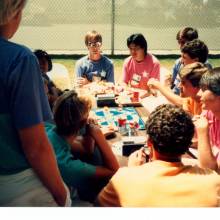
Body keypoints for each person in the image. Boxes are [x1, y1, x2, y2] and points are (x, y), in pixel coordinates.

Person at [0, 0, 70, 206]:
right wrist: (61, 195)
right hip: (15, 180)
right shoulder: (20, 59)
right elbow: (36, 146)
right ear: (14, 12)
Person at [96, 104, 220, 207]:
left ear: (149, 142)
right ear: (189, 142)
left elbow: (98, 206)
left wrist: (132, 171)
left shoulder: (123, 178)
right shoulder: (213, 182)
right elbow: (210, 170)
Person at [46, 90, 119, 203]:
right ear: (83, 124)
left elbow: (87, 150)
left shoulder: (51, 130)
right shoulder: (68, 165)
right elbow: (113, 170)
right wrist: (98, 135)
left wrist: (88, 133)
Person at [194, 68, 220, 171]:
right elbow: (195, 141)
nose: (199, 94)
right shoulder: (209, 112)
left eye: (204, 90)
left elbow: (209, 169)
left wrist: (202, 132)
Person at [172, 27, 199, 93]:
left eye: (183, 42)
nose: (181, 46)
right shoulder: (178, 63)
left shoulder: (202, 66)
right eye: (179, 42)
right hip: (176, 97)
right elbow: (172, 84)